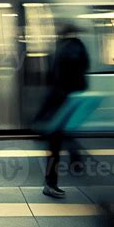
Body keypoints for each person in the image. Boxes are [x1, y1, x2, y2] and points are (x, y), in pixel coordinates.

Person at [35, 23, 90, 198]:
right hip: (70, 100)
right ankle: (72, 161)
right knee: (59, 139)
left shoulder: (60, 50)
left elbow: (52, 79)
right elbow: (84, 69)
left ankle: (51, 183)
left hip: (58, 102)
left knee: (55, 144)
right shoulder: (78, 48)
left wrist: (43, 112)